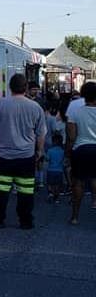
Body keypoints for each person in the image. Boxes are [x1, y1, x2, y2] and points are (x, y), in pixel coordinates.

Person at [0, 74, 47, 230]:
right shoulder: (35, 107)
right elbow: (41, 133)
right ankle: (26, 221)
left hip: (3, 156)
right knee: (26, 191)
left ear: (10, 87)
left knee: (1, 190)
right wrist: (40, 151)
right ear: (25, 88)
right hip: (26, 157)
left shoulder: (0, 104)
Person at [65, 81, 96, 225]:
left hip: (81, 150)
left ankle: (75, 216)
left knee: (78, 183)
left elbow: (71, 137)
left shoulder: (76, 112)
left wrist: (68, 153)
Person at [45, 133, 65, 203]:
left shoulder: (50, 150)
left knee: (50, 183)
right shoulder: (62, 151)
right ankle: (56, 198)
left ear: (53, 141)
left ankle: (50, 192)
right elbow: (64, 160)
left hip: (51, 170)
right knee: (57, 185)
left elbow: (47, 159)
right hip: (59, 171)